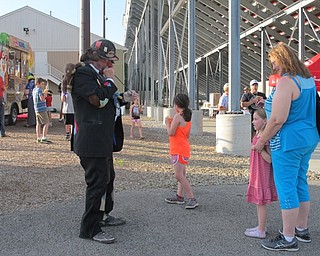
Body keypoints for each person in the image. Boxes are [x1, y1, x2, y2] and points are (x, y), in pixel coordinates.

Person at [253, 43, 319, 252]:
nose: (274, 68)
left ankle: (288, 238)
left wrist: (261, 141)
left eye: (274, 63)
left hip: (288, 141)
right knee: (300, 181)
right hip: (308, 137)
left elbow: (278, 120)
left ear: (282, 59)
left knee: (286, 186)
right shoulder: (307, 80)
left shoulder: (286, 82)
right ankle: (301, 228)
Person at [72, 39, 137, 244]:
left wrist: (124, 97)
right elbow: (98, 100)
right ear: (99, 59)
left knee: (108, 178)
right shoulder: (84, 74)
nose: (111, 66)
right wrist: (109, 82)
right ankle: (90, 228)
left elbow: (108, 100)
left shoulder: (96, 75)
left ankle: (104, 214)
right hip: (92, 141)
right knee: (97, 183)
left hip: (102, 140)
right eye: (109, 62)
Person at [245, 108, 277, 239]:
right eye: (253, 119)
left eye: (256, 119)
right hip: (256, 172)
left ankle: (261, 230)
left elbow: (270, 159)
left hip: (262, 175)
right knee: (259, 202)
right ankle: (260, 226)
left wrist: (260, 150)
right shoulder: (258, 135)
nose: (253, 121)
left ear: (264, 121)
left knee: (261, 202)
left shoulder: (265, 139)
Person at [164, 93, 198, 209]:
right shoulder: (188, 117)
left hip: (177, 148)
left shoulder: (178, 116)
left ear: (177, 105)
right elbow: (187, 135)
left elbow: (171, 133)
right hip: (184, 148)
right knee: (182, 174)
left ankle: (191, 198)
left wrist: (167, 123)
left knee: (179, 175)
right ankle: (179, 196)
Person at [33, 77, 51, 143]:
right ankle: (44, 137)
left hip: (36, 108)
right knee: (47, 122)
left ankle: (38, 137)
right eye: (42, 84)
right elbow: (42, 98)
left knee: (38, 123)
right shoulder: (39, 90)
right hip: (42, 108)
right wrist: (45, 95)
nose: (43, 85)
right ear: (38, 84)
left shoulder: (34, 90)